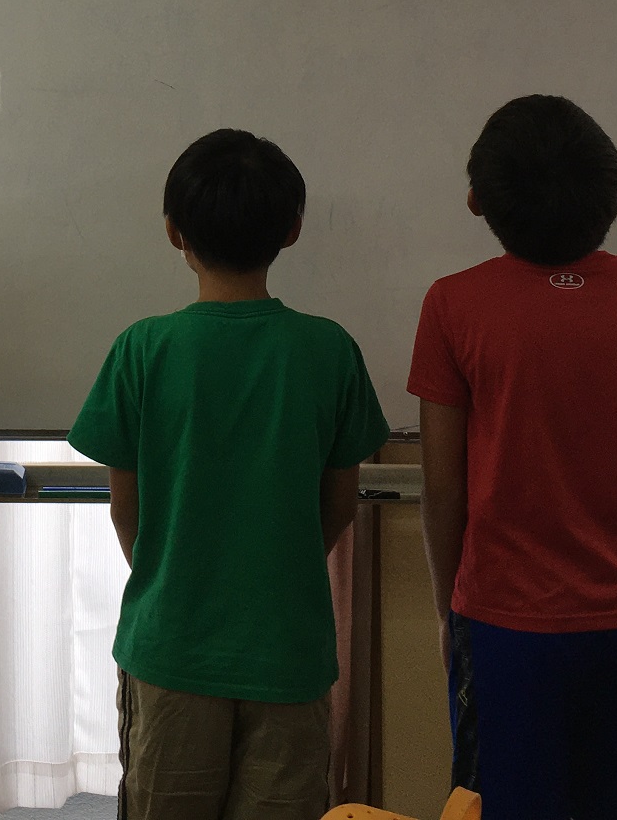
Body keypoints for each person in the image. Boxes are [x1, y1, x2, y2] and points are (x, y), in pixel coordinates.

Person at [69, 128, 391, 820]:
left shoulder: (142, 349)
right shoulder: (329, 350)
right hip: (288, 652)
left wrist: (172, 575)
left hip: (170, 645)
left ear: (174, 232)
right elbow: (339, 505)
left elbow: (127, 509)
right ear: (293, 229)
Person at [410, 95, 617, 820]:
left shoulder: (453, 305)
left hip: (502, 625)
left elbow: (443, 489)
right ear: (611, 197)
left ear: (478, 200)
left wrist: (451, 608)